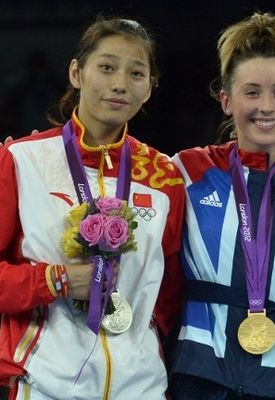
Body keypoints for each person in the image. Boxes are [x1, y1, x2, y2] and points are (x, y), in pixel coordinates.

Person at [0, 17, 186, 399]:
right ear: (76, 72)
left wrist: (144, 341)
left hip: (141, 386)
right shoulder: (23, 159)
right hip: (46, 382)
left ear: (150, 88)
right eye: (106, 67)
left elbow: (168, 287)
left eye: (136, 73)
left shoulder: (165, 177)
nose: (119, 83)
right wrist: (56, 280)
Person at [168, 12, 275, 400]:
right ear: (226, 100)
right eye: (252, 92)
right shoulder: (186, 171)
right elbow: (117, 188)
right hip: (202, 376)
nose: (267, 106)